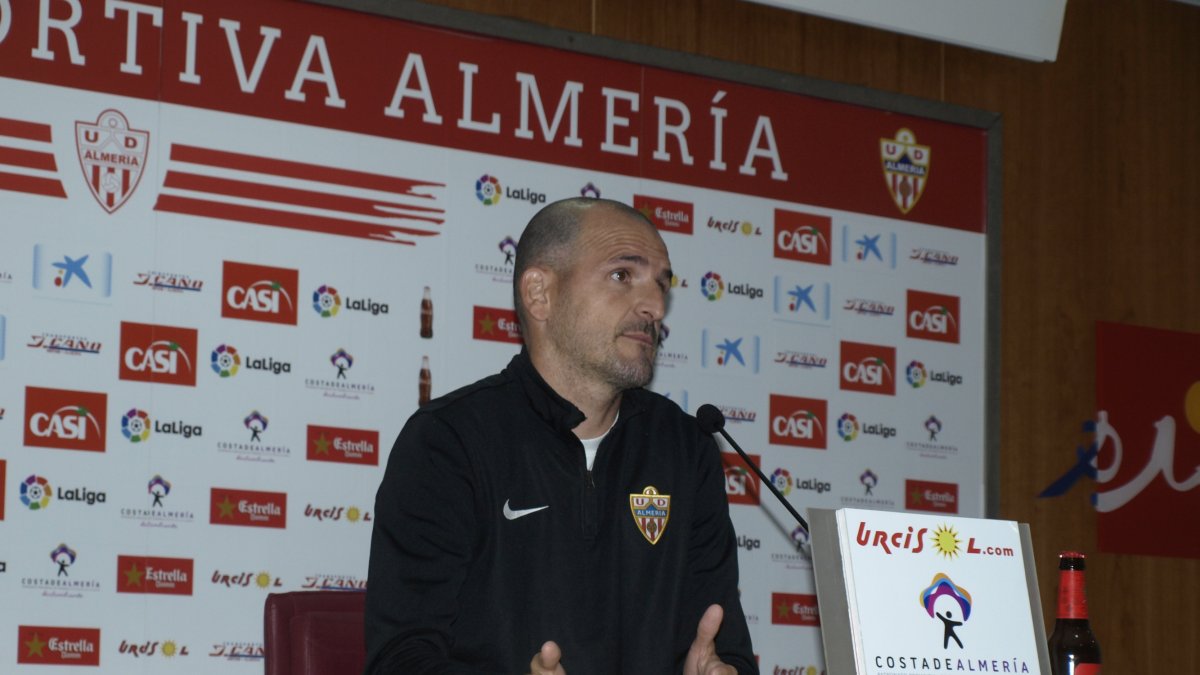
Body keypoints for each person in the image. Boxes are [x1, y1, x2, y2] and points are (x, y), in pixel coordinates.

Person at [364, 197, 757, 674]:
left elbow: (723, 644)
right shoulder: (449, 442)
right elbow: (400, 659)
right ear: (539, 294)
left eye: (661, 284)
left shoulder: (683, 446)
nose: (654, 306)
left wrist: (723, 671)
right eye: (621, 276)